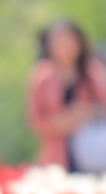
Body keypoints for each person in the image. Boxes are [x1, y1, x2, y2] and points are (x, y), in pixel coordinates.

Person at [28, 20, 106, 171]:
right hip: (57, 154)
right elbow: (35, 121)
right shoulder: (42, 76)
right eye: (58, 42)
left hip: (93, 150)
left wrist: (88, 111)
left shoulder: (93, 72)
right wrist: (63, 122)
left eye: (68, 41)